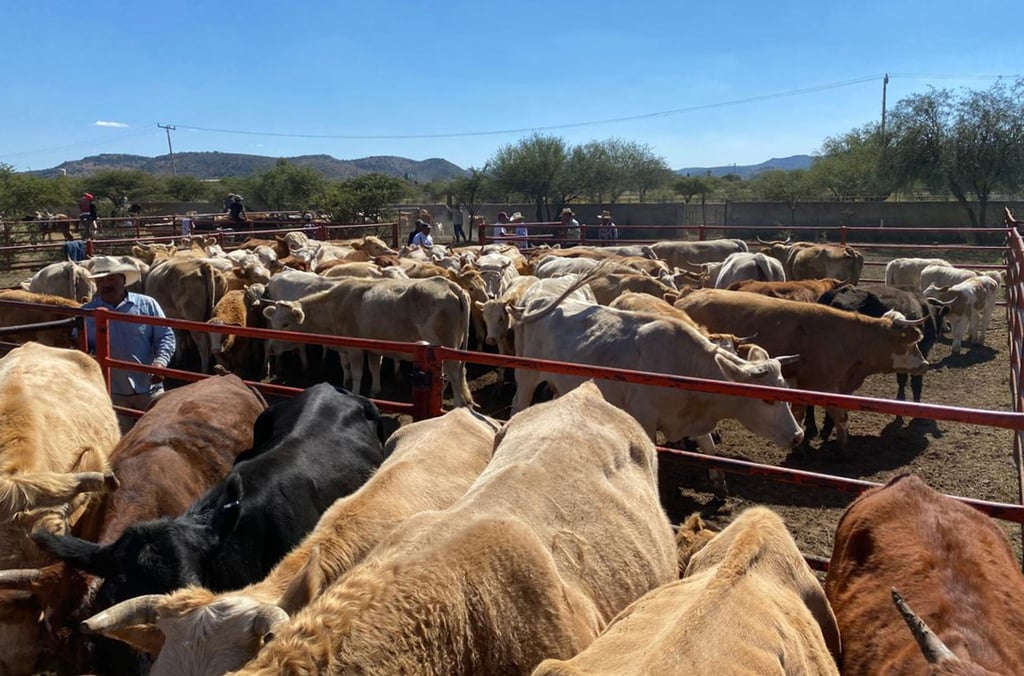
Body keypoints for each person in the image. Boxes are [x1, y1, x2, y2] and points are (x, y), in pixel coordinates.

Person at [82, 257, 176, 433]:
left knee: (157, 436)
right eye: (101, 280)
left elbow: (165, 336)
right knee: (120, 442)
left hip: (149, 387)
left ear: (123, 280)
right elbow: (80, 346)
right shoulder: (87, 312)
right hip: (111, 391)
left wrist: (160, 363)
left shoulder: (147, 305)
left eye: (111, 279)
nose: (106, 284)